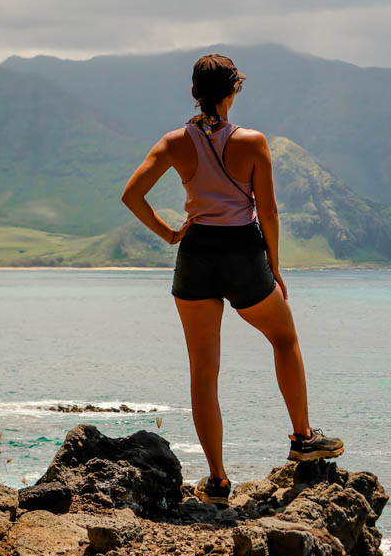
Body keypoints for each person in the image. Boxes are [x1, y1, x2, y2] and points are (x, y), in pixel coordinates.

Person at [120, 53, 342, 507]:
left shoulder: (174, 142)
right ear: (234, 90)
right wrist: (275, 267)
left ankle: (218, 482)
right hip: (242, 253)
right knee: (283, 338)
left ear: (194, 92)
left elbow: (132, 194)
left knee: (204, 369)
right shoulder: (254, 142)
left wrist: (169, 234)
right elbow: (270, 211)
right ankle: (302, 437)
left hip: (196, 253)